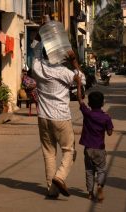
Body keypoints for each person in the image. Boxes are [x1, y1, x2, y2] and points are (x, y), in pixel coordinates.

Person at [33, 42, 85, 198]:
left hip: (43, 116)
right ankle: (60, 176)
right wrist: (74, 59)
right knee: (70, 150)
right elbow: (81, 80)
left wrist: (42, 34)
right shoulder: (64, 72)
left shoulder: (37, 67)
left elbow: (35, 50)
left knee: (49, 153)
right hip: (61, 117)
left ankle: (52, 189)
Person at [76, 77, 114, 202]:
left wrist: (79, 84)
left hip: (88, 149)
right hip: (100, 149)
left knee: (89, 171)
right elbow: (109, 133)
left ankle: (90, 193)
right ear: (103, 103)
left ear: (90, 104)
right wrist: (108, 125)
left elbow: (80, 100)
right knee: (101, 170)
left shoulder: (87, 113)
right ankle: (100, 185)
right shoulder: (106, 118)